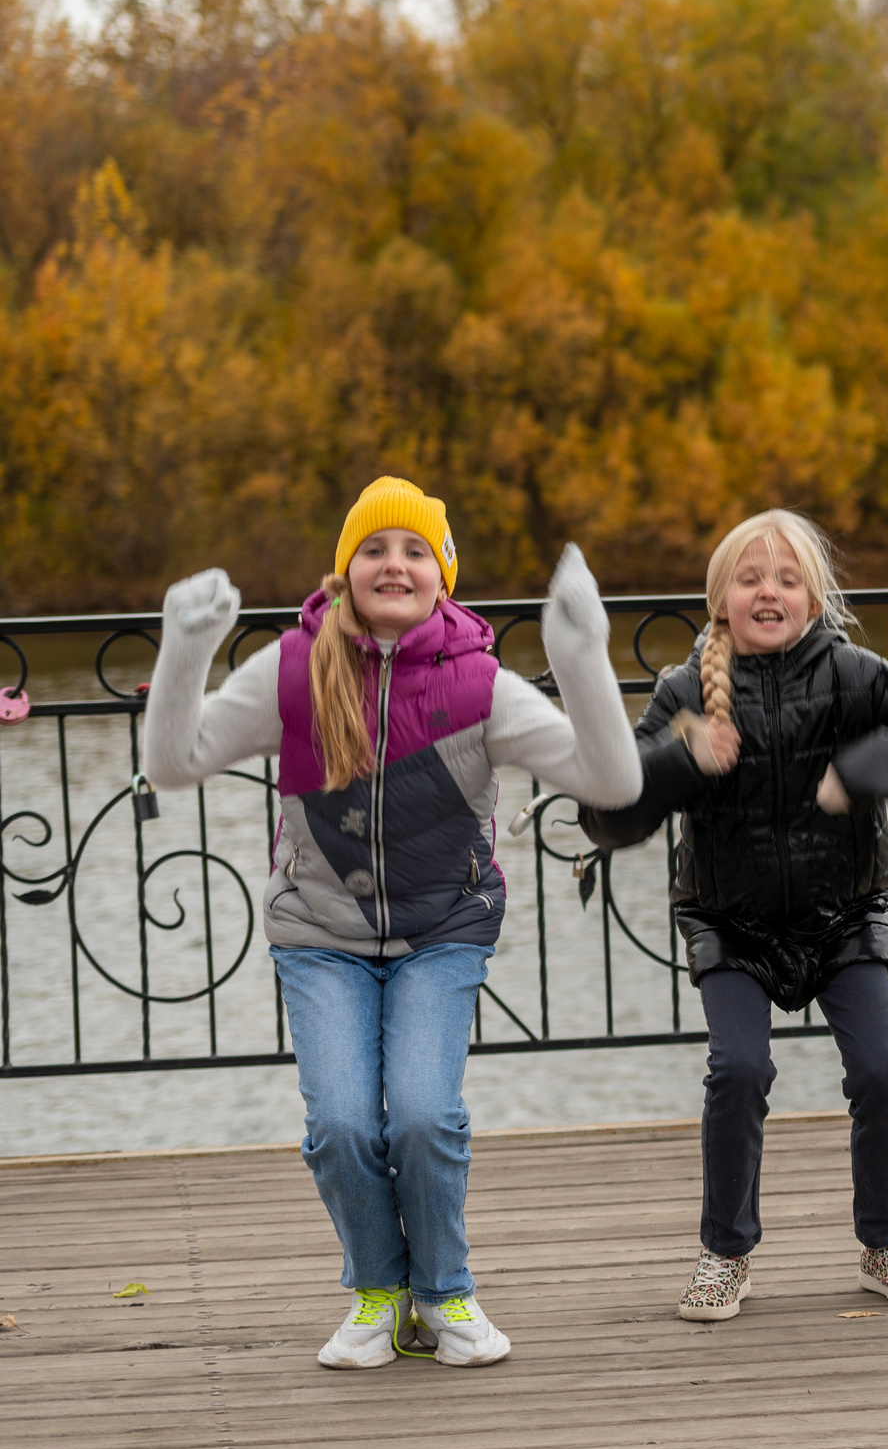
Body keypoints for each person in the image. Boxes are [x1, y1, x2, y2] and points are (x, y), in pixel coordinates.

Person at [141, 477, 643, 1368]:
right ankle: (379, 1290)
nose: (394, 563)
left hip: (441, 933)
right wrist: (188, 646)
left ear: (443, 575)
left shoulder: (480, 682)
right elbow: (175, 765)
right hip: (320, 939)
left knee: (419, 1114)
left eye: (415, 549)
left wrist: (581, 655)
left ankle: (445, 1294)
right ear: (343, 573)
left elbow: (613, 783)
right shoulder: (291, 670)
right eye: (373, 548)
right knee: (339, 1124)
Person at [580, 511, 888, 1320]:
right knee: (738, 1070)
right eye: (751, 578)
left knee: (880, 1070)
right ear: (721, 599)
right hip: (731, 920)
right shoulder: (684, 689)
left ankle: (884, 1243)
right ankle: (724, 1254)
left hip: (845, 912)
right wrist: (676, 761)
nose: (770, 591)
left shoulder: (858, 674)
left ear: (814, 597)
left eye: (788, 579)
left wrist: (870, 766)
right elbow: (608, 816)